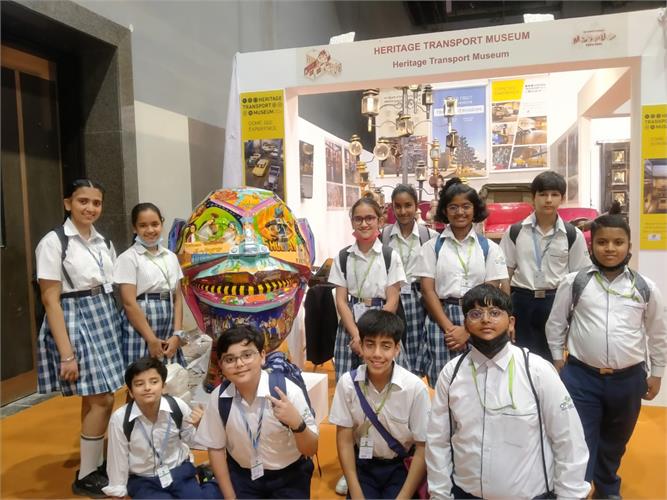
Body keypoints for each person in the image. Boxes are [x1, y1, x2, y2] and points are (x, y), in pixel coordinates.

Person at [426, 284, 590, 499]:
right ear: (465, 324)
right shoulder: (452, 373)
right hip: (465, 494)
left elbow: (568, 438)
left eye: (494, 313)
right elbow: (438, 440)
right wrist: (439, 494)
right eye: (475, 314)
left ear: (511, 322)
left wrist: (570, 495)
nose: (485, 319)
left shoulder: (537, 370)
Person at [546, 213, 666, 498]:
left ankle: (607, 486)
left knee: (615, 439)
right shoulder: (575, 282)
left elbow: (658, 333)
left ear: (629, 246)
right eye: (602, 242)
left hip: (629, 379)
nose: (610, 248)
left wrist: (657, 373)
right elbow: (556, 323)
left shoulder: (645, 287)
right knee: (578, 437)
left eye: (618, 242)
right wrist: (558, 359)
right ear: (592, 246)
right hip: (581, 376)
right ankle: (578, 489)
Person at [35, 179, 124, 497]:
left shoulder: (103, 241)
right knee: (102, 399)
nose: (90, 208)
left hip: (104, 314)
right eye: (83, 201)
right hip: (76, 319)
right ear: (67, 203)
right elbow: (50, 300)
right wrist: (67, 354)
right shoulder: (54, 242)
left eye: (96, 203)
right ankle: (87, 475)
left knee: (97, 396)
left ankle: (93, 464)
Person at [195, 325, 318, 499]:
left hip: (290, 476)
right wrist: (230, 497)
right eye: (230, 359)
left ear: (262, 356)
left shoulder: (287, 392)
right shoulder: (219, 398)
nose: (239, 364)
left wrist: (298, 424)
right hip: (243, 476)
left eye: (247, 355)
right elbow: (215, 448)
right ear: (221, 365)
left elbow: (311, 449)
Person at [414, 178, 509, 387]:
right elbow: (427, 291)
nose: (460, 212)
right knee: (444, 383)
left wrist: (467, 330)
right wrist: (450, 328)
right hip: (442, 318)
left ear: (475, 210)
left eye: (466, 206)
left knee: (480, 382)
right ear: (445, 211)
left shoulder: (489, 248)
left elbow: (491, 290)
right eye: (453, 207)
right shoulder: (431, 248)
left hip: (481, 318)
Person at [330, 310, 430, 499]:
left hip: (401, 466)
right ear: (360, 345)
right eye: (370, 344)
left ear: (397, 349)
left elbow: (422, 447)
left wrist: (403, 497)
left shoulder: (414, 388)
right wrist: (356, 492)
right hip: (364, 464)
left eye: (386, 346)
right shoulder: (348, 384)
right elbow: (344, 440)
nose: (377, 354)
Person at [499, 171, 590, 362]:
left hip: (556, 301)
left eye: (554, 195)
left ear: (562, 198)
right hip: (522, 302)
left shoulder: (572, 235)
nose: (548, 200)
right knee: (521, 357)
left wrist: (575, 314)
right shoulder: (515, 231)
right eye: (543, 194)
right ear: (533, 197)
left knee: (554, 358)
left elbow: (580, 278)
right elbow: (505, 274)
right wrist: (507, 312)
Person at [103, 357, 220, 499]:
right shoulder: (120, 419)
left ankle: (211, 482)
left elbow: (194, 441)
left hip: (179, 472)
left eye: (154, 382)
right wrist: (117, 490)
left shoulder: (177, 406)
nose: (147, 388)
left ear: (163, 386)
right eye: (139, 384)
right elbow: (117, 459)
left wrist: (200, 427)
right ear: (131, 392)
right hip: (143, 479)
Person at [328, 195, 408, 382]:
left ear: (380, 221)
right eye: (358, 219)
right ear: (352, 222)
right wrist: (357, 336)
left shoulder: (390, 256)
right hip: (350, 325)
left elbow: (393, 300)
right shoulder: (343, 257)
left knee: (385, 381)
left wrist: (371, 337)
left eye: (370, 218)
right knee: (350, 383)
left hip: (382, 322)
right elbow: (341, 301)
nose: (364, 224)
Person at [114, 203, 186, 367]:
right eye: (143, 225)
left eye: (155, 224)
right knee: (141, 372)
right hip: (141, 325)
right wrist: (151, 339)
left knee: (170, 372)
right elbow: (129, 303)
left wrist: (177, 334)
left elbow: (177, 298)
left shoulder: (170, 256)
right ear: (134, 228)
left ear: (161, 223)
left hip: (168, 321)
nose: (150, 230)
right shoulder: (128, 258)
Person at [381, 184, 438, 376]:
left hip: (420, 298)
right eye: (398, 206)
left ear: (416, 206)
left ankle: (415, 384)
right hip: (392, 297)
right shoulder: (384, 236)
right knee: (395, 344)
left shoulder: (429, 237)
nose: (403, 211)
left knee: (418, 343)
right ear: (392, 207)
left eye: (408, 205)